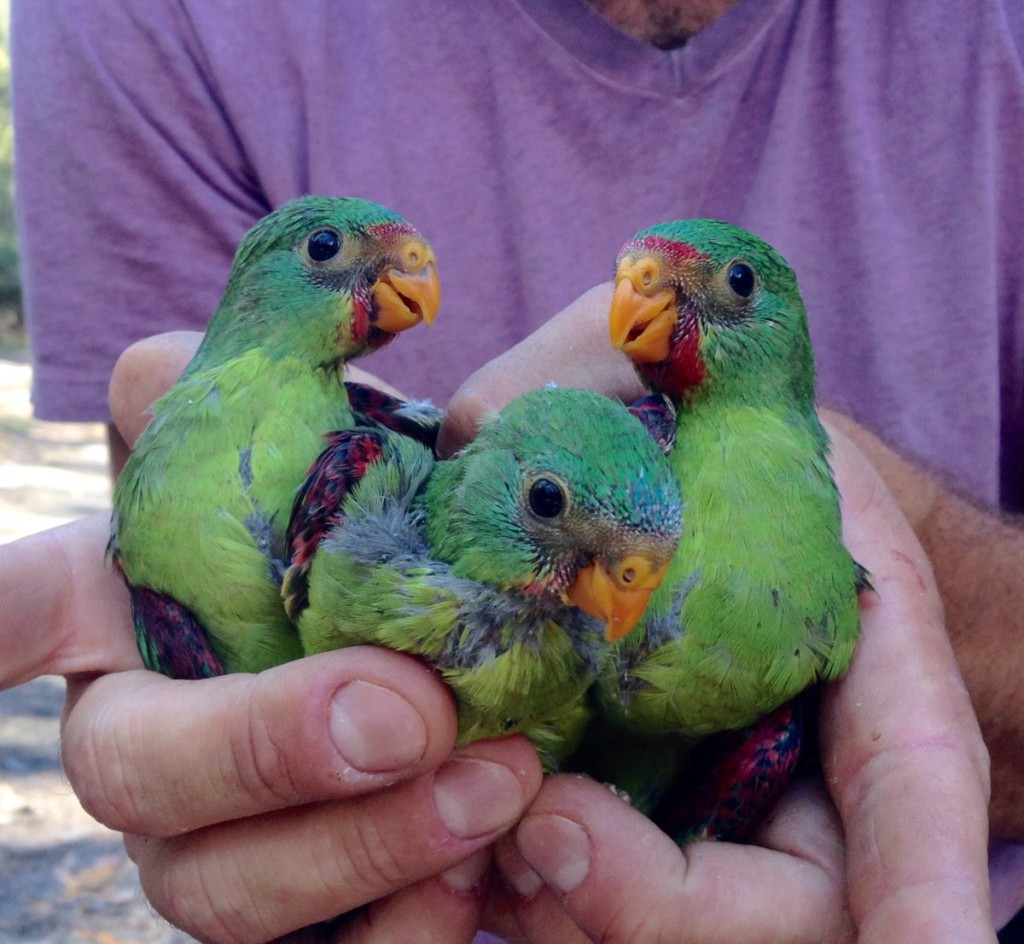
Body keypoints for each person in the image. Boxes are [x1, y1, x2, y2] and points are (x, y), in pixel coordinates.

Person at [6, 0, 1024, 938]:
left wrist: (916, 581)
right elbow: (174, 617)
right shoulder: (139, 22)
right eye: (328, 254)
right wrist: (199, 763)